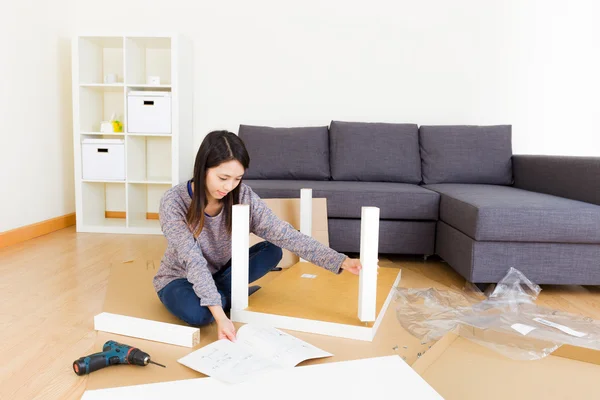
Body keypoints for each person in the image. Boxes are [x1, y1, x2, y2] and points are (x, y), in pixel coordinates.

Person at [153, 130, 364, 342]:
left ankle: (218, 295)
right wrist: (221, 318)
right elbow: (193, 261)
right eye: (222, 178)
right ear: (203, 169)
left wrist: (340, 260)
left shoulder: (242, 195)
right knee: (200, 314)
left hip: (220, 273)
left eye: (237, 178)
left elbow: (284, 233)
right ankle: (221, 298)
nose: (229, 187)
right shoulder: (174, 202)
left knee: (272, 250)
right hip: (181, 278)